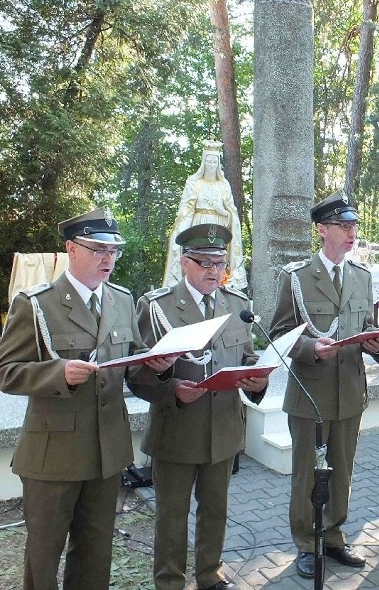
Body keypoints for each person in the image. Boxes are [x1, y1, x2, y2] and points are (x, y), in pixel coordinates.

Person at [0, 207, 175, 590]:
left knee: (95, 553)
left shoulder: (123, 301)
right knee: (44, 555)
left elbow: (134, 371)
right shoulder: (37, 303)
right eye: (97, 250)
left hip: (106, 451)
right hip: (53, 453)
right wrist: (57, 373)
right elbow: (5, 373)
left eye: (113, 252)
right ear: (71, 249)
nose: (107, 259)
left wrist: (158, 367)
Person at [133, 223, 265, 590]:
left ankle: (210, 575)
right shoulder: (156, 306)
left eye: (219, 263)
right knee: (171, 516)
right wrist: (171, 387)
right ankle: (170, 582)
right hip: (176, 428)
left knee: (216, 511)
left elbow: (248, 358)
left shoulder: (237, 306)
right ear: (183, 262)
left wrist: (258, 382)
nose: (212, 270)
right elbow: (136, 374)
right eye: (203, 262)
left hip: (223, 428)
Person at [268, 191, 379, 580]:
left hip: (350, 392)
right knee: (308, 471)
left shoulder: (361, 276)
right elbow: (280, 333)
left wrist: (376, 342)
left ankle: (333, 536)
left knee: (342, 470)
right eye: (343, 225)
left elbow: (365, 328)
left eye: (354, 225)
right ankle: (306, 542)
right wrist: (308, 348)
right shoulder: (297, 277)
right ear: (322, 229)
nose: (351, 232)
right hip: (311, 393)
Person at [163, 140, 248, 289]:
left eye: (214, 161)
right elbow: (186, 210)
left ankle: (222, 283)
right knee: (199, 258)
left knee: (216, 258)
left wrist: (223, 212)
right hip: (198, 225)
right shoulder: (194, 182)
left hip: (218, 227)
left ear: (218, 163)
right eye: (208, 161)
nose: (211, 164)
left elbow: (232, 214)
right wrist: (181, 231)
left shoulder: (224, 184)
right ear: (204, 162)